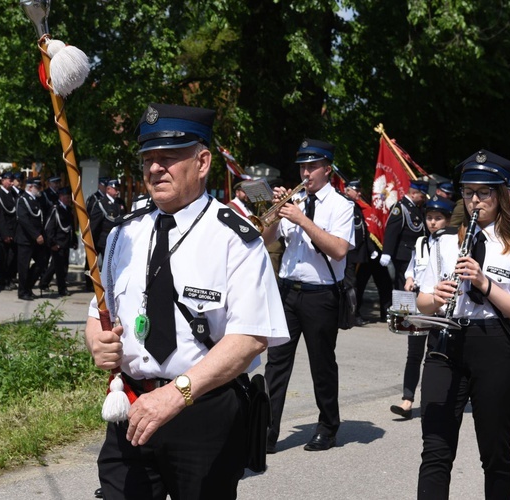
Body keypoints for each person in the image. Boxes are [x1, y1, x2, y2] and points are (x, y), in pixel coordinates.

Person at [86, 103, 288, 499]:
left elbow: (249, 339)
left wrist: (174, 394)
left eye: (169, 157)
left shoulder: (235, 239)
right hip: (130, 406)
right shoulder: (121, 236)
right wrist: (97, 340)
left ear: (202, 162)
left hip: (203, 414)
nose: (155, 168)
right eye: (148, 158)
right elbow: (99, 312)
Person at [415, 150, 510, 499]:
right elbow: (422, 301)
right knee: (436, 450)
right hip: (445, 341)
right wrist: (436, 297)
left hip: (495, 346)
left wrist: (487, 284)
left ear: (500, 196)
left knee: (495, 453)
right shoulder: (442, 242)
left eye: (484, 192)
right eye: (469, 192)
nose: (475, 200)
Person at [262, 138, 355, 454]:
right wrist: (275, 213)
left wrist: (302, 219)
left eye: (312, 166)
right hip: (287, 291)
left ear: (327, 169)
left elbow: (339, 250)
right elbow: (264, 239)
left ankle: (328, 427)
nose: (306, 172)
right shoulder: (295, 201)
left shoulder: (341, 206)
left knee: (322, 364)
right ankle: (267, 433)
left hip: (320, 295)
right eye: (302, 166)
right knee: (276, 364)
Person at [390, 197, 454, 420]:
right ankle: (407, 400)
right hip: (419, 306)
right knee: (414, 354)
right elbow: (412, 268)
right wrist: (409, 278)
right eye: (429, 218)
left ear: (448, 220)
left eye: (438, 218)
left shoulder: (453, 244)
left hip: (440, 309)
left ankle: (438, 399)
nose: (433, 222)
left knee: (437, 354)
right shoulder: (420, 243)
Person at [380, 179, 428, 290]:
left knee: (414, 285)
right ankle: (402, 307)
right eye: (422, 196)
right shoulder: (400, 207)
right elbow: (392, 230)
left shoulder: (418, 209)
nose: (424, 199)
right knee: (403, 286)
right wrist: (387, 252)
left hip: (415, 254)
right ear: (413, 194)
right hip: (403, 255)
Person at [15, 177, 48, 301]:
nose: (39, 190)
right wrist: (36, 235)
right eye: (37, 187)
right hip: (25, 239)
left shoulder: (36, 200)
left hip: (36, 239)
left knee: (41, 262)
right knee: (23, 266)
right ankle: (22, 291)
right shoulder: (22, 200)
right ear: (30, 187)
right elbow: (24, 220)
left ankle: (28, 287)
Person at [343, 180, 370, 327]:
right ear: (347, 190)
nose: (359, 193)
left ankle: (353, 313)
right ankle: (351, 315)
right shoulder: (344, 205)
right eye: (356, 190)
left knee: (355, 284)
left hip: (358, 254)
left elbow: (362, 230)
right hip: (348, 253)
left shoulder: (355, 206)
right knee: (350, 285)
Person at [40, 186, 76, 296]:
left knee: (57, 266)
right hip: (57, 243)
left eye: (69, 197)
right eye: (66, 197)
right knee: (60, 268)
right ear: (60, 197)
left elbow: (70, 227)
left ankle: (43, 283)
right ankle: (62, 289)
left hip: (65, 243)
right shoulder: (55, 209)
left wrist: (73, 240)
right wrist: (52, 243)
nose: (68, 199)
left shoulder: (68, 209)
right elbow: (49, 228)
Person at [89, 178, 125, 262]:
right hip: (101, 240)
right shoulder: (101, 203)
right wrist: (90, 240)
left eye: (118, 189)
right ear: (108, 189)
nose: (118, 191)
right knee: (91, 265)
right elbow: (94, 223)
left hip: (116, 239)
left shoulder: (120, 203)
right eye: (115, 189)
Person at [0, 171, 18, 291]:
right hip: (4, 233)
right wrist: (5, 234)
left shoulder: (14, 194)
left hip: (14, 232)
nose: (11, 181)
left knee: (12, 258)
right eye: (9, 179)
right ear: (2, 181)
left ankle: (10, 279)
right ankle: (2, 282)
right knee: (3, 259)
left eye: (12, 179)